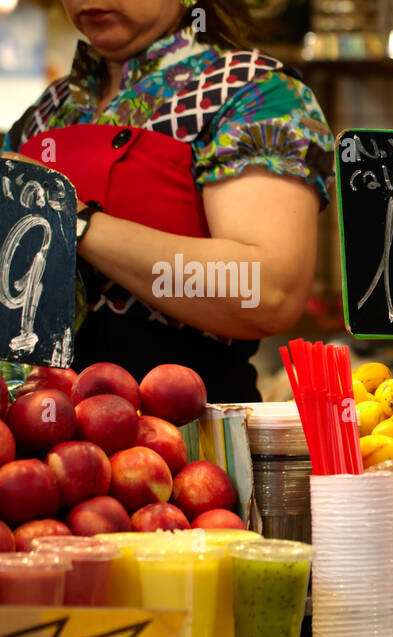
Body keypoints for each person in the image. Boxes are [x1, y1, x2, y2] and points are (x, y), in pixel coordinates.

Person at [3, 0, 333, 402]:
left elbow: (266, 291)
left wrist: (71, 221)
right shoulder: (47, 113)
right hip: (45, 440)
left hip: (191, 436)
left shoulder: (252, 92)